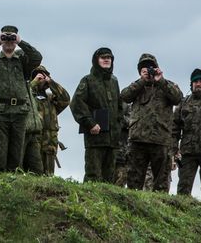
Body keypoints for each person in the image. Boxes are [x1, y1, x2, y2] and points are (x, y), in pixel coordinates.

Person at [0, 25, 42, 172]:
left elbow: (37, 57)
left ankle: (13, 179)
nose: (9, 41)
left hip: (19, 111)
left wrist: (21, 42)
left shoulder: (23, 61)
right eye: (6, 38)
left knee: (16, 152)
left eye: (12, 38)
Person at [121, 53, 182, 192]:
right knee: (133, 185)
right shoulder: (136, 86)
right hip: (138, 140)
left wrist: (161, 80)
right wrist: (142, 81)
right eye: (143, 68)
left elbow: (177, 98)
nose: (147, 70)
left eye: (150, 67)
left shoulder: (167, 85)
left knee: (161, 185)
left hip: (160, 141)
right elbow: (124, 96)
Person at [70, 47, 123, 183]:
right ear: (96, 60)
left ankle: (106, 204)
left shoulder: (114, 81)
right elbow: (76, 103)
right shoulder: (88, 80)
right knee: (93, 175)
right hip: (95, 137)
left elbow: (120, 106)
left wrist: (119, 125)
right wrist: (90, 123)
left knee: (109, 177)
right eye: (103, 57)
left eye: (109, 57)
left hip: (112, 139)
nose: (106, 60)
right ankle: (89, 203)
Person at [173, 68, 201, 205]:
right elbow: (175, 127)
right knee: (183, 186)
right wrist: (174, 148)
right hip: (187, 152)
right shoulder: (183, 103)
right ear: (191, 84)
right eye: (195, 81)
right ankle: (181, 214)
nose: (198, 84)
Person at [29, 65, 70, 175]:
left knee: (48, 175)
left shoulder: (51, 99)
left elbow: (66, 99)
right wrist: (33, 83)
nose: (40, 77)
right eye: (37, 75)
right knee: (32, 172)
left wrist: (51, 82)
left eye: (43, 75)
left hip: (50, 142)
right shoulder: (29, 96)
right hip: (33, 139)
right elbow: (23, 96)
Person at [113, 102, 131, 187]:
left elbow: (130, 122)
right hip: (107, 148)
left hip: (122, 151)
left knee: (121, 178)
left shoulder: (126, 105)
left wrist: (118, 116)